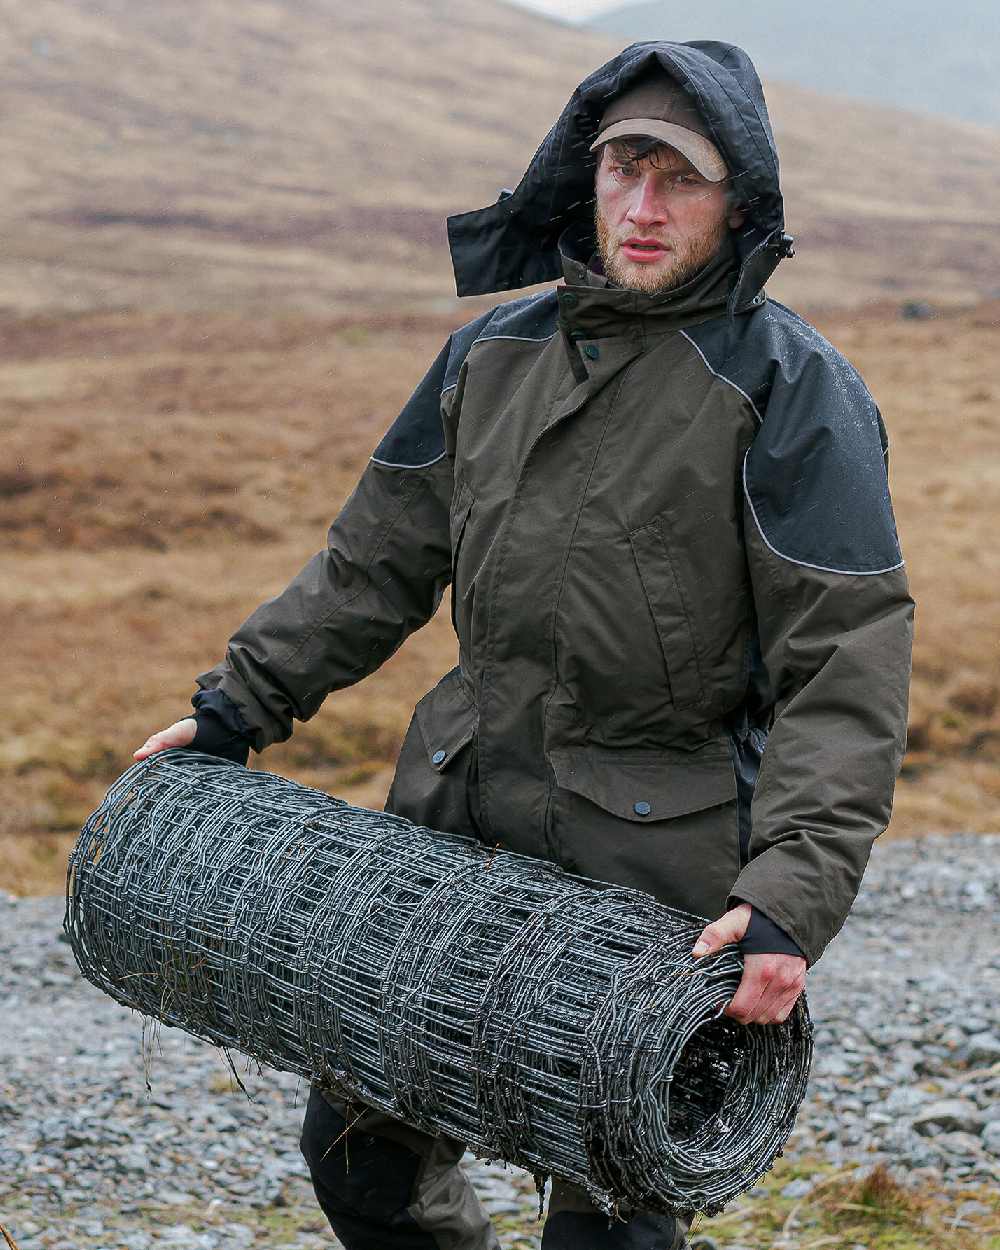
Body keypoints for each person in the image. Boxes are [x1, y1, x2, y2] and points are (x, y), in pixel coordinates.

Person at [134, 39, 913, 1250]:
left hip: (660, 865)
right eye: (624, 171)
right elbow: (371, 563)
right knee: (360, 1161)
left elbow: (844, 660)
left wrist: (790, 897)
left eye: (680, 180)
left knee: (607, 1220)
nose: (644, 208)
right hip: (454, 820)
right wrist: (238, 702)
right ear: (583, 178)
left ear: (739, 198)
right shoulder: (489, 353)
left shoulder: (790, 388)